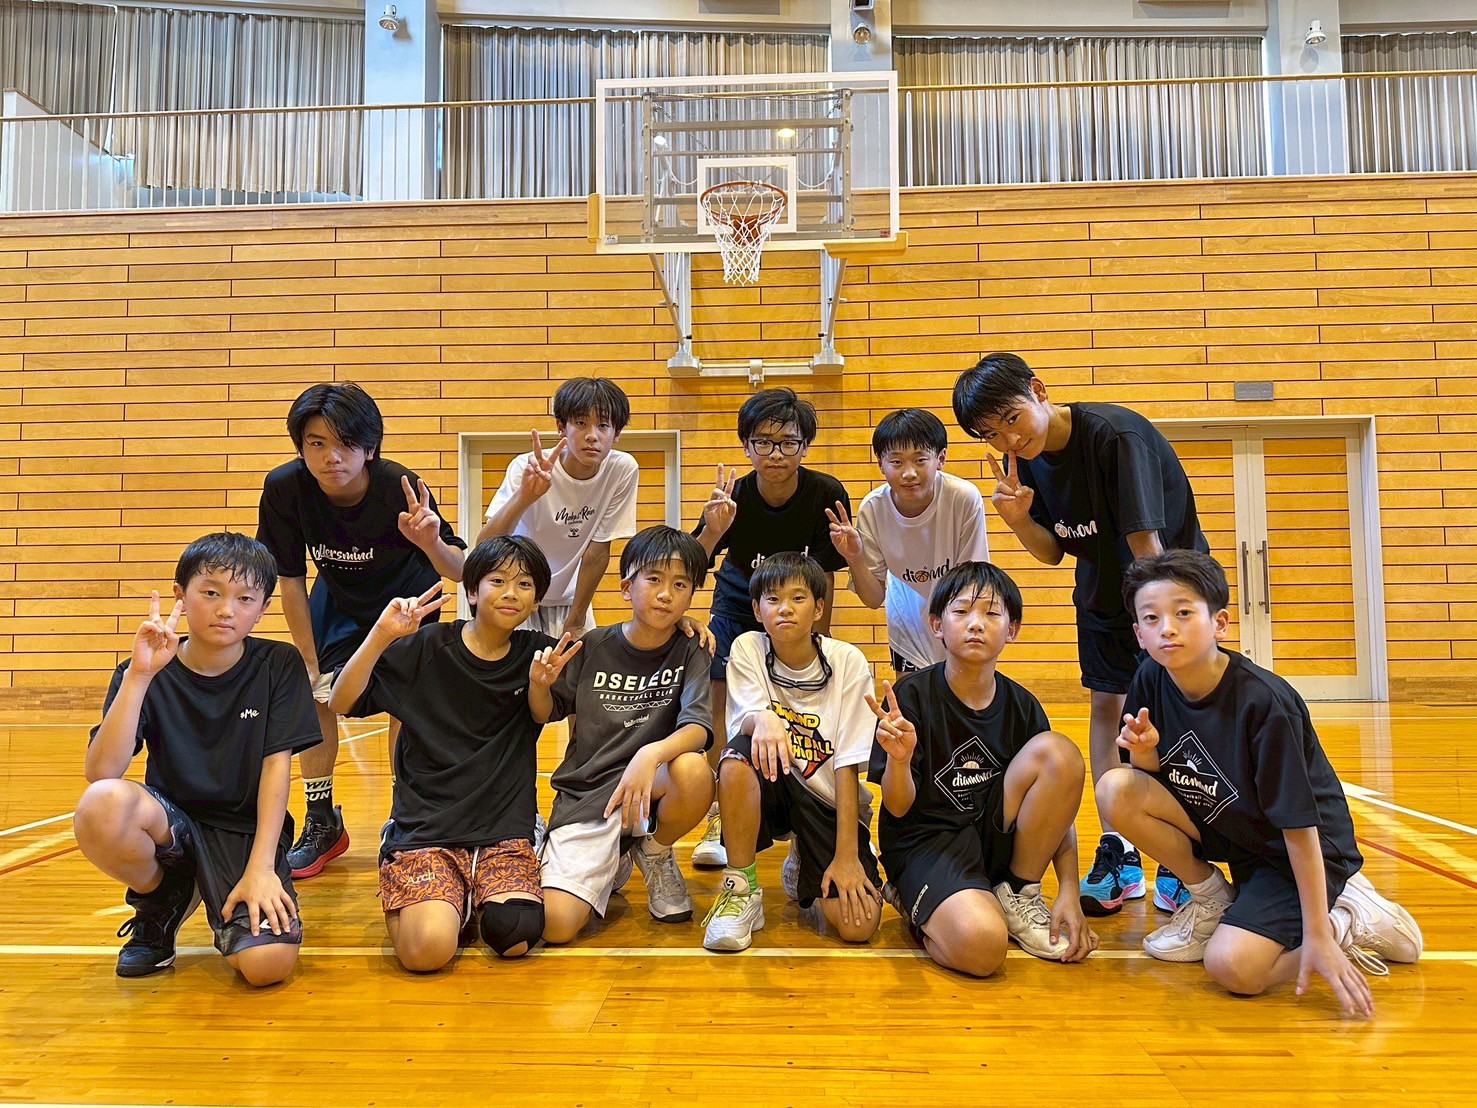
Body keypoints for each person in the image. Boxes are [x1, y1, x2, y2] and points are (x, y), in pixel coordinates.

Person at [1098, 549, 1421, 1017]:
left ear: (1220, 623)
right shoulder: (1151, 676)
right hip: (1233, 831)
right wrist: (1146, 751)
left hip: (1299, 851)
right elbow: (1149, 783)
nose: (1167, 628)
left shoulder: (1264, 703)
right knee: (1115, 787)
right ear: (1139, 634)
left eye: (1183, 613)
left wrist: (1316, 934)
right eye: (1152, 618)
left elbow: (1300, 827)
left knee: (1234, 969)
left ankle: (1349, 921)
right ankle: (1211, 901)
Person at [953, 351, 1207, 917]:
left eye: (1012, 420)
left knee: (1174, 715)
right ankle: (1119, 848)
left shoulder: (1114, 437)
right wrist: (1020, 520)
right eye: (992, 436)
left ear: (1039, 391)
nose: (1009, 441)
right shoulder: (1029, 461)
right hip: (1103, 593)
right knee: (1106, 710)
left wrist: (1158, 623)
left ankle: (1178, 852)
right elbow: (1053, 552)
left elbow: (1148, 549)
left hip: (1165, 591)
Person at [74, 532, 320, 984]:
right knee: (102, 803)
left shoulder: (279, 664)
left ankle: (214, 889)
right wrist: (139, 677)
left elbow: (276, 767)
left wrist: (262, 868)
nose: (226, 610)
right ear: (180, 595)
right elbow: (101, 772)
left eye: (245, 598)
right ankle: (165, 896)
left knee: (266, 967)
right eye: (211, 593)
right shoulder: (145, 667)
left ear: (263, 608)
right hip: (173, 825)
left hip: (245, 830)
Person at [257, 382, 467, 878]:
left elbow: (460, 570)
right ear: (300, 447)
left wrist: (431, 542)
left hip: (406, 600)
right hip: (338, 600)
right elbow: (290, 579)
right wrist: (308, 662)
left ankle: (403, 814)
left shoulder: (399, 486)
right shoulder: (285, 488)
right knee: (312, 694)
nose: (331, 457)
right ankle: (322, 820)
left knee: (404, 700)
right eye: (317, 443)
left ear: (370, 448)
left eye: (346, 443)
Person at [327, 537, 561, 971]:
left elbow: (555, 700)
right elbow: (341, 701)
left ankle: (465, 898)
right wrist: (381, 635)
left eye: (525, 584)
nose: (511, 592)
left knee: (515, 934)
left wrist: (681, 626)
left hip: (502, 828)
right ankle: (428, 882)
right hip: (428, 828)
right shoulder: (426, 647)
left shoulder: (539, 655)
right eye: (498, 581)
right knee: (428, 952)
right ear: (472, 591)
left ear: (536, 600)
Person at [869, 561, 1098, 976]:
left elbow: (1058, 810)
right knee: (983, 948)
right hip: (928, 844)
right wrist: (899, 761)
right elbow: (898, 808)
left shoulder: (1023, 706)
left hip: (994, 839)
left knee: (1060, 753)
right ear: (937, 625)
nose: (975, 623)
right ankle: (920, 901)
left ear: (1012, 630)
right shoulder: (910, 697)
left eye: (991, 613)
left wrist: (1068, 888)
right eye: (961, 611)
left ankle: (1018, 893)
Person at [690, 387, 850, 868]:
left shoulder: (825, 493)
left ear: (805, 445)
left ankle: (809, 806)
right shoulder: (734, 495)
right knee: (721, 704)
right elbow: (695, 562)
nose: (776, 453)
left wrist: (821, 636)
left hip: (797, 609)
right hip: (738, 604)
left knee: (805, 706)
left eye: (788, 442)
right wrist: (714, 528)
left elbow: (825, 574)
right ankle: (720, 814)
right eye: (763, 442)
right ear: (747, 446)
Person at [537, 526, 716, 944]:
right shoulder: (593, 646)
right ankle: (612, 854)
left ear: (691, 596)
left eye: (680, 585)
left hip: (650, 787)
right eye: (653, 579)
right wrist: (539, 686)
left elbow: (698, 728)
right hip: (589, 796)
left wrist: (649, 755)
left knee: (694, 771)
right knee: (556, 925)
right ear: (625, 587)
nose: (666, 594)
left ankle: (654, 851)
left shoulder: (691, 648)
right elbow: (548, 711)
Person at [702, 553, 882, 953]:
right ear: (757, 610)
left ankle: (804, 855)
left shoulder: (848, 661)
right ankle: (741, 888)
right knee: (735, 759)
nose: (784, 608)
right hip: (773, 780)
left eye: (798, 598)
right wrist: (763, 718)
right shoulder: (748, 647)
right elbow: (744, 723)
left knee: (858, 926)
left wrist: (847, 856)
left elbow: (848, 764)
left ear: (819, 608)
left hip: (827, 799)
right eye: (773, 599)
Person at [827, 407, 988, 676]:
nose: (909, 473)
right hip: (907, 626)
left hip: (959, 620)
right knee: (911, 699)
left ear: (941, 458)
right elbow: (873, 598)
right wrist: (854, 558)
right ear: (881, 464)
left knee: (961, 697)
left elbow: (973, 581)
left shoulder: (963, 498)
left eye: (920, 460)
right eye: (896, 462)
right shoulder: (873, 508)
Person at [478, 376, 639, 639]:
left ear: (617, 433)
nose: (592, 436)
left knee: (577, 662)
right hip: (516, 590)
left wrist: (576, 620)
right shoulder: (528, 467)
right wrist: (525, 497)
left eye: (603, 425)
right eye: (581, 423)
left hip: (571, 598)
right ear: (561, 427)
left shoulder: (622, 470)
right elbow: (484, 546)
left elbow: (597, 552)